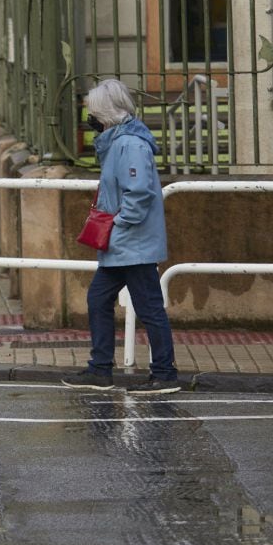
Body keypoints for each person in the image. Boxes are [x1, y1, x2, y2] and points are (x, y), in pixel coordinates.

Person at [63, 78, 180, 395]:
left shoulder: (129, 145)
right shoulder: (119, 143)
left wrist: (118, 223)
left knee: (148, 309)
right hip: (123, 245)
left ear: (104, 113)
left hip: (133, 244)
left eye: (93, 112)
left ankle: (165, 374)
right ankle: (101, 370)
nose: (90, 119)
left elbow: (139, 193)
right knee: (99, 299)